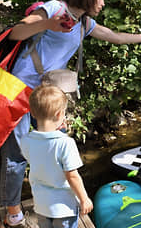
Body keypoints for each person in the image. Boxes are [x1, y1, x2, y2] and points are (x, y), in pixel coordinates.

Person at [0, 0, 141, 227]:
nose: (103, 3)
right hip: (19, 89)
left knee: (55, 145)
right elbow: (16, 33)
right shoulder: (55, 9)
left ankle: (50, 199)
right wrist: (46, 24)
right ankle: (12, 211)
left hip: (46, 95)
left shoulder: (83, 23)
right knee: (17, 153)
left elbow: (113, 36)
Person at [20, 84, 92, 228]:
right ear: (60, 114)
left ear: (32, 113)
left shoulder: (26, 140)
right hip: (64, 208)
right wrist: (84, 199)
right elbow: (72, 176)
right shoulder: (65, 143)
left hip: (41, 205)